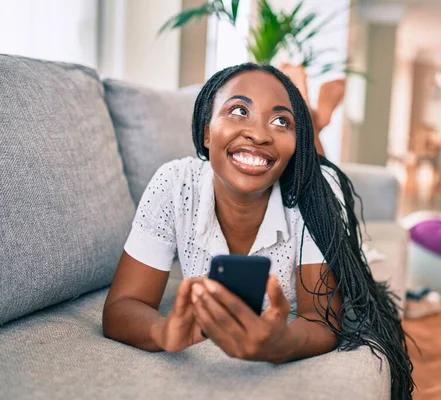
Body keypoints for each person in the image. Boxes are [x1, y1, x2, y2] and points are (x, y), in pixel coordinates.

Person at [102, 63, 413, 399]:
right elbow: (122, 306)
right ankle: (313, 118)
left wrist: (280, 344)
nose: (260, 134)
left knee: (323, 180)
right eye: (239, 110)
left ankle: (314, 123)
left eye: (281, 121)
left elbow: (322, 320)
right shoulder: (175, 183)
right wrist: (162, 332)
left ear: (294, 142)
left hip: (329, 218)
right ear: (206, 132)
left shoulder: (315, 199)